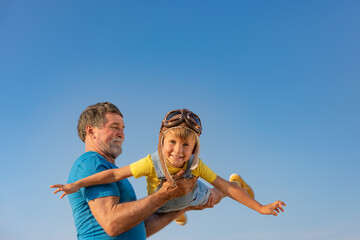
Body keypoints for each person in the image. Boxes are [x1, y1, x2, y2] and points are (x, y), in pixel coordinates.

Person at [52, 108, 285, 228]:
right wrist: (76, 184)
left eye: (186, 144)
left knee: (214, 197)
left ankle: (238, 182)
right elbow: (113, 173)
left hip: (193, 195)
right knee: (154, 209)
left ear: (194, 148)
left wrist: (260, 208)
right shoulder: (150, 163)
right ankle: (177, 212)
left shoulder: (196, 165)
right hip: (163, 201)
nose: (178, 151)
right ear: (161, 142)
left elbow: (221, 184)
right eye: (172, 142)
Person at [53, 102, 211, 240]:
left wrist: (184, 204)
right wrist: (165, 194)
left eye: (122, 128)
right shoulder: (91, 163)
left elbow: (139, 229)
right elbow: (112, 224)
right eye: (114, 128)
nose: (121, 134)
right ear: (91, 131)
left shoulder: (109, 169)